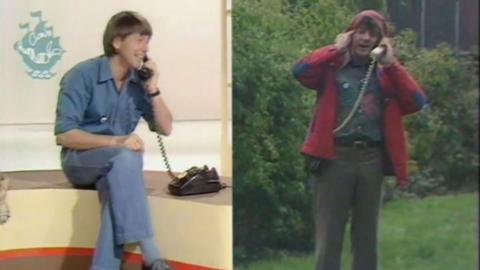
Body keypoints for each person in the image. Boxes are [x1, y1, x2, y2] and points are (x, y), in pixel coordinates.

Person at [292, 10, 428, 270]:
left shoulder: (386, 74)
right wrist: (334, 49)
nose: (366, 39)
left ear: (381, 40)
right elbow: (300, 71)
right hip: (335, 158)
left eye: (373, 34)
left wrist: (392, 64)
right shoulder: (332, 68)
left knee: (367, 235)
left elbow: (417, 100)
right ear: (351, 35)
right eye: (361, 32)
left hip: (371, 159)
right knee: (330, 233)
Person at [55, 11, 173, 270]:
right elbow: (65, 134)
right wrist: (117, 142)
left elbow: (165, 128)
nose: (146, 48)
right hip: (80, 161)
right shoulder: (82, 76)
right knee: (126, 156)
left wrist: (153, 87)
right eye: (140, 40)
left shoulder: (137, 82)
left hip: (118, 166)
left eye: (148, 41)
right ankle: (151, 253)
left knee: (118, 180)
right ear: (117, 42)